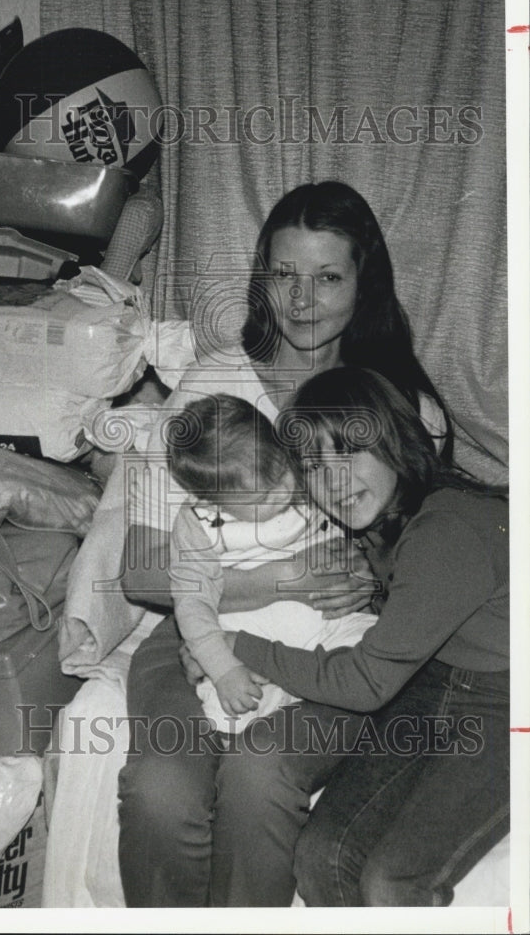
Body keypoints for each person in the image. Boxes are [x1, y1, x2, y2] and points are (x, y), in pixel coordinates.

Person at [117, 180, 453, 907]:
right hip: (199, 629)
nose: (301, 300)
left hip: (336, 645)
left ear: (365, 286)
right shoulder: (213, 387)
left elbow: (428, 574)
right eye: (283, 274)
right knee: (158, 791)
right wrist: (276, 582)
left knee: (258, 773)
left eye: (327, 277)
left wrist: (357, 584)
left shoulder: (403, 406)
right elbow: (140, 572)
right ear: (259, 279)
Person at [214, 365, 508, 907]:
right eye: (314, 467)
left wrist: (235, 648)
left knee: (390, 881)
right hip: (435, 683)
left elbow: (363, 683)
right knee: (322, 855)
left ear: (394, 440)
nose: (335, 483)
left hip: (508, 702)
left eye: (348, 452)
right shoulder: (382, 524)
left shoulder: (448, 529)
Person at [165, 393, 377, 733]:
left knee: (373, 660)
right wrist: (223, 669)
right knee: (227, 713)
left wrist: (357, 562)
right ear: (214, 501)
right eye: (263, 497)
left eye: (281, 473)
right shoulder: (198, 525)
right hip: (253, 643)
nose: (283, 491)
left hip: (332, 625)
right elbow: (191, 604)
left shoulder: (305, 474)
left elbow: (355, 531)